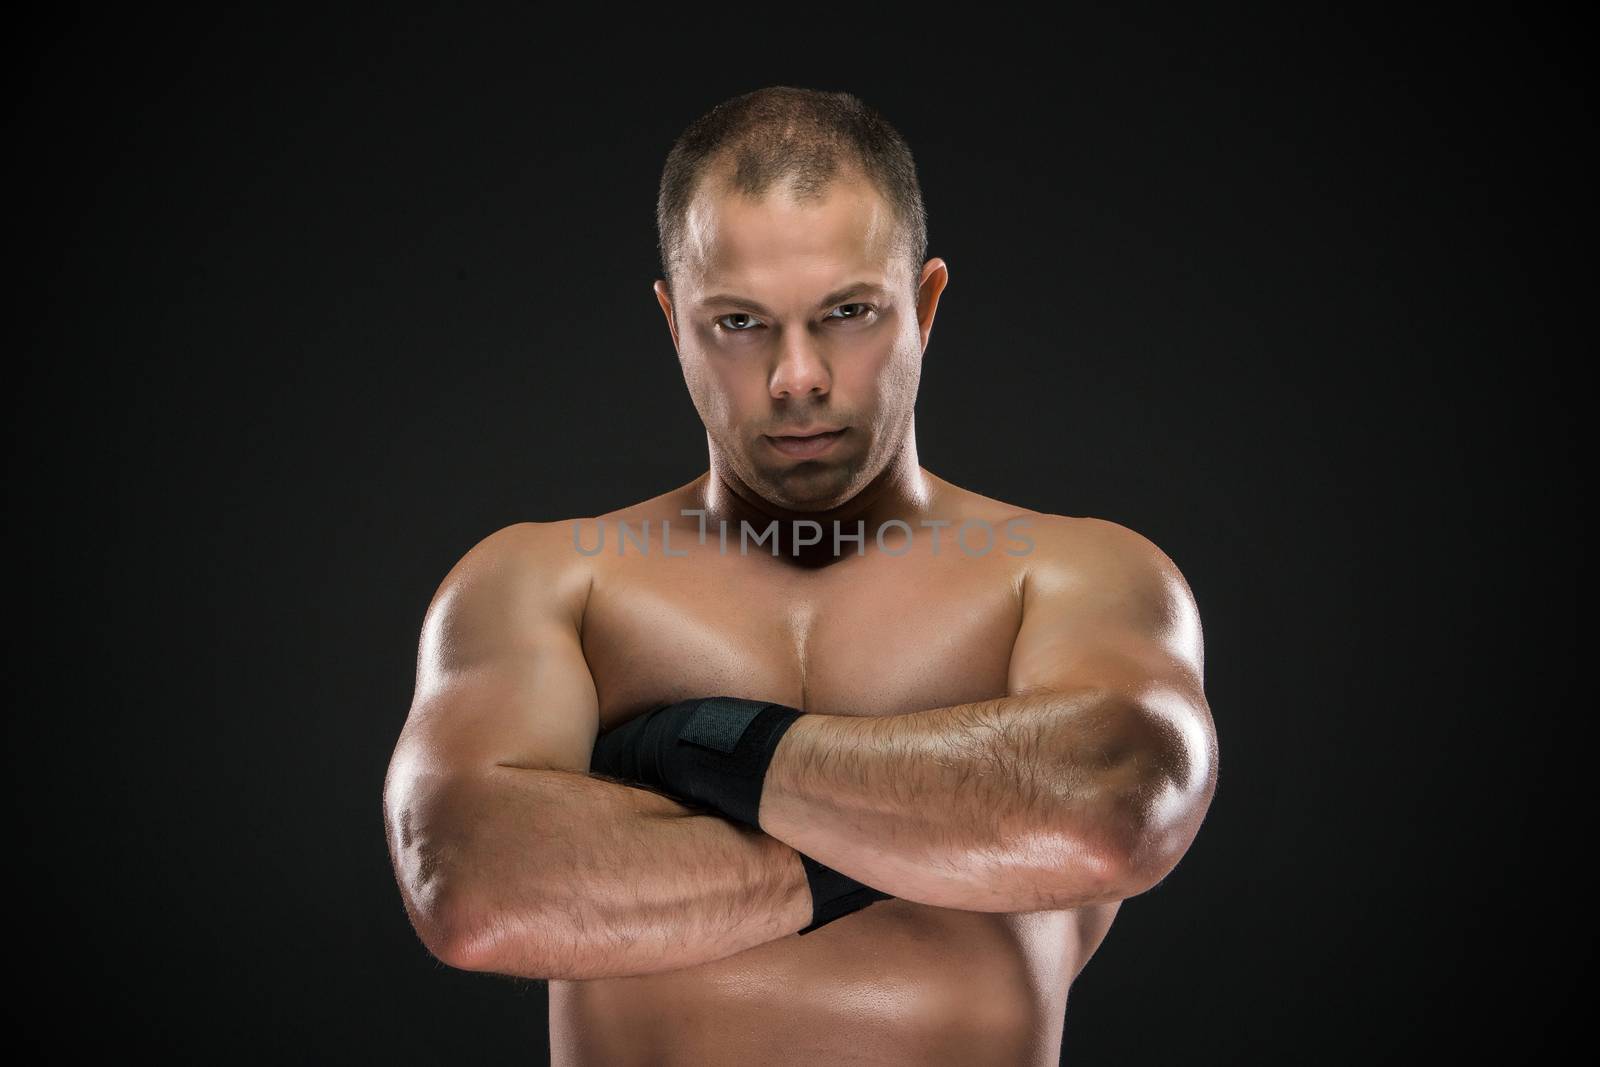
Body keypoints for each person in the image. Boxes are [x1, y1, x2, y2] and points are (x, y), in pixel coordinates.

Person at [382, 85, 1218, 1067]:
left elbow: (1112, 808)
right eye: (739, 321)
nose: (797, 376)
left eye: (848, 312)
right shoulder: (547, 581)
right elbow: (472, 886)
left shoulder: (1074, 573)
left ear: (926, 303)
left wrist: (696, 749)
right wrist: (950, 830)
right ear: (673, 322)